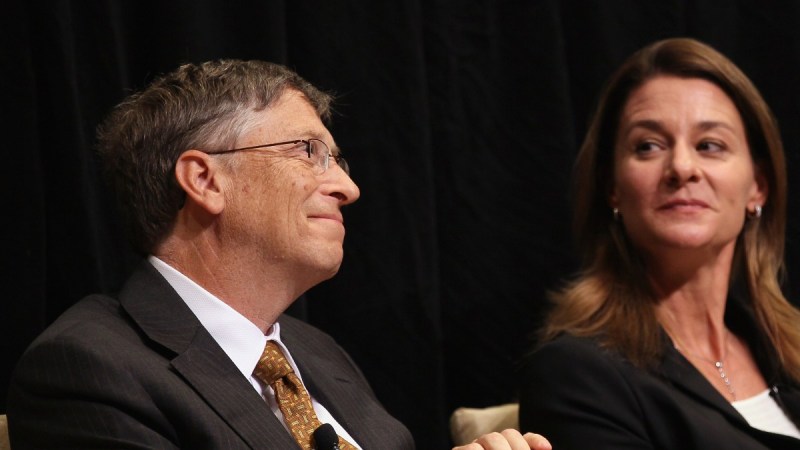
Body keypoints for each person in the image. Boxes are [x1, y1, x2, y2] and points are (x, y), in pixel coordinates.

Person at [7, 59, 549, 450]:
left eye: (337, 158)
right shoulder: (89, 371)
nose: (347, 187)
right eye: (309, 152)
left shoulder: (318, 356)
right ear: (205, 179)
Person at [517, 37, 800, 449]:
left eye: (709, 146)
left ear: (757, 187)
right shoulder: (577, 374)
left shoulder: (787, 352)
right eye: (648, 146)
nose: (682, 168)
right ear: (612, 188)